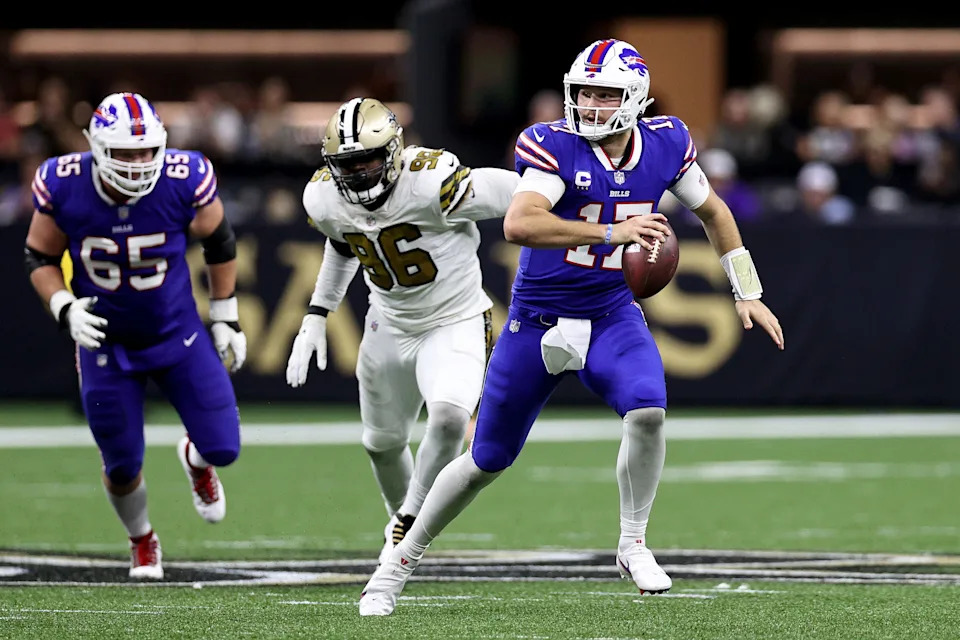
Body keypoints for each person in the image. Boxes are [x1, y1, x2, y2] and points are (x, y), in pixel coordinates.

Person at [358, 39, 785, 616]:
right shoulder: (551, 144)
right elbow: (520, 222)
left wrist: (748, 289)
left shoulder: (666, 143)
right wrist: (615, 233)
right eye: (584, 90)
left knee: (649, 409)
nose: (589, 103)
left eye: (605, 93)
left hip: (610, 314)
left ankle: (632, 543)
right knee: (486, 460)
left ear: (633, 97)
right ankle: (395, 565)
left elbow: (714, 211)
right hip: (535, 323)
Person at [285, 97, 520, 566]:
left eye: (369, 159)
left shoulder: (433, 181)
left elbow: (525, 195)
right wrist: (316, 314)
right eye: (347, 165)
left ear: (393, 150)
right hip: (388, 323)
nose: (360, 173)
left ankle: (409, 523)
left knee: (451, 417)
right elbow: (342, 241)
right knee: (382, 444)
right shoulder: (325, 196)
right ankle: (403, 520)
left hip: (454, 320)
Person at [23, 92, 247, 580]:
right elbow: (39, 257)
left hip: (177, 334)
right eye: (125, 152)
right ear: (96, 148)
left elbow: (220, 240)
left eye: (147, 151)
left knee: (224, 448)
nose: (139, 163)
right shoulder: (64, 184)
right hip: (105, 342)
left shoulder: (185, 176)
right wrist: (63, 307)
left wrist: (225, 316)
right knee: (122, 464)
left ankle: (194, 457)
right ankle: (142, 540)